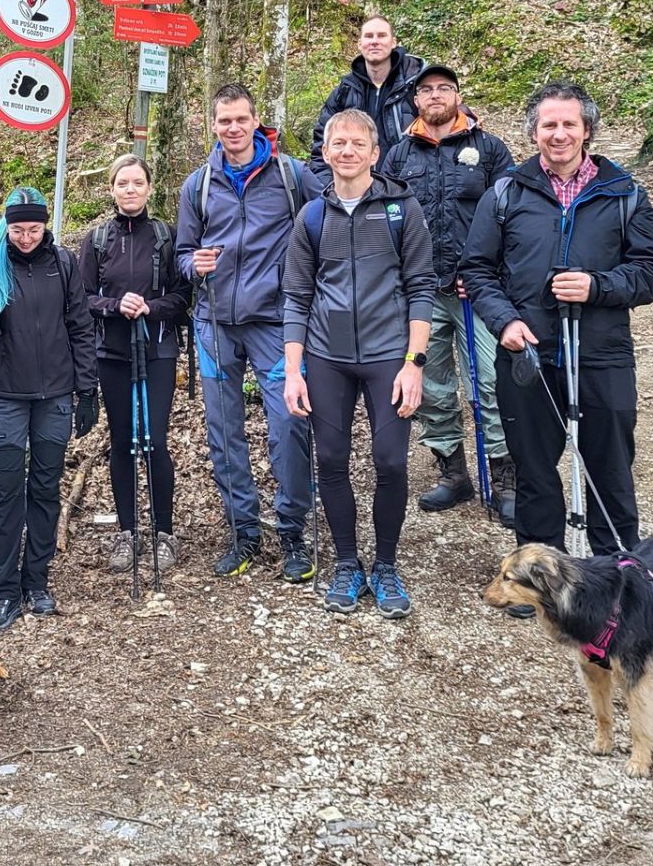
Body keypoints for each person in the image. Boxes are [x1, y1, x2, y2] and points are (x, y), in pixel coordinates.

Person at [462, 81, 653, 603]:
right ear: (533, 132)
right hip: (528, 355)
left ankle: (617, 581)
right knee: (535, 473)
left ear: (587, 131)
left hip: (601, 355)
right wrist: (505, 322)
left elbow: (652, 271)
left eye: (569, 124)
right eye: (548, 125)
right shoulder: (506, 193)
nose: (558, 134)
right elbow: (477, 270)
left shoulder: (624, 194)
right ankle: (541, 583)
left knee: (611, 470)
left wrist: (598, 286)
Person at [282, 110, 436, 618]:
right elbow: (296, 296)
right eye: (336, 143)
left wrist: (414, 362)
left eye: (356, 144)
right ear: (324, 154)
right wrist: (292, 371)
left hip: (389, 354)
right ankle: (347, 564)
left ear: (374, 153)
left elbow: (421, 286)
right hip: (327, 357)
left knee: (391, 461)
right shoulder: (311, 216)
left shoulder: (401, 208)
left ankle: (386, 566)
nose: (346, 151)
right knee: (331, 459)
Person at [176, 83, 323, 582]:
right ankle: (243, 532)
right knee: (224, 433)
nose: (233, 129)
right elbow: (181, 251)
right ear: (212, 126)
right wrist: (191, 264)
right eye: (224, 121)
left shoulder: (291, 175)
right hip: (214, 323)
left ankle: (292, 531)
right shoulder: (198, 184)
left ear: (256, 121)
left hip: (278, 323)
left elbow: (327, 225)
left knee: (288, 427)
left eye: (241, 119)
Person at [374, 65, 519, 523]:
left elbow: (512, 216)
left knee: (492, 382)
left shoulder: (490, 149)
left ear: (457, 96)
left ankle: (504, 475)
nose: (435, 96)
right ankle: (452, 471)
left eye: (444, 88)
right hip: (422, 291)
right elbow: (386, 218)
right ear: (415, 100)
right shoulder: (398, 155)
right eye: (426, 90)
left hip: (477, 289)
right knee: (433, 385)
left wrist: (488, 270)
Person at [0, 188, 99, 630]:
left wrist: (87, 390)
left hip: (56, 396)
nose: (26, 237)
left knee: (45, 489)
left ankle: (36, 582)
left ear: (46, 226)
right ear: (7, 225)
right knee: (7, 496)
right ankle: (5, 592)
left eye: (35, 228)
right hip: (6, 397)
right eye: (18, 229)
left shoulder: (62, 263)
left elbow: (80, 326)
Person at [79, 154, 192, 572]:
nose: (130, 190)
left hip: (158, 349)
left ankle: (164, 531)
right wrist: (114, 305)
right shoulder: (95, 240)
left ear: (148, 187)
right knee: (124, 442)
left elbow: (183, 297)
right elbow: (82, 297)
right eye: (122, 183)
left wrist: (151, 307)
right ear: (111, 189)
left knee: (155, 441)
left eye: (137, 183)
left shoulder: (166, 235)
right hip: (112, 353)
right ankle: (127, 531)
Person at [306, 16, 429, 157]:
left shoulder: (417, 85)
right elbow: (321, 144)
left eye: (382, 36)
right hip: (354, 176)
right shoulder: (345, 91)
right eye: (369, 36)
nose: (375, 41)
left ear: (393, 42)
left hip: (405, 177)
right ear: (359, 44)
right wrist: (326, 179)